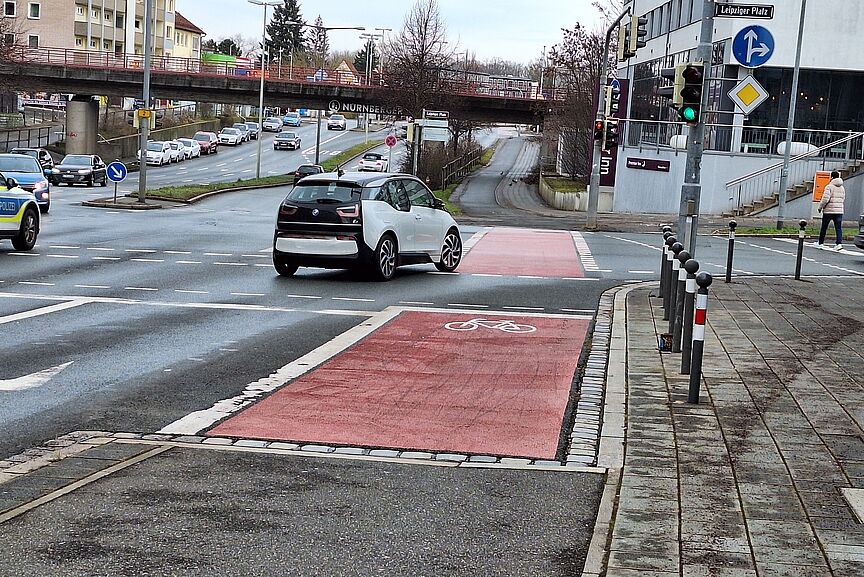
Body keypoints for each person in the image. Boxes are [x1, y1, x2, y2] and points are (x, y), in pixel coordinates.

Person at [815, 170, 845, 250]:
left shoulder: (829, 186)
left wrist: (820, 207)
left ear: (831, 177)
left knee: (824, 227)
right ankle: (839, 244)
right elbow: (843, 199)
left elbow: (825, 199)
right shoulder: (842, 187)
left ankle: (820, 243)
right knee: (838, 228)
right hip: (839, 211)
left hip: (829, 210)